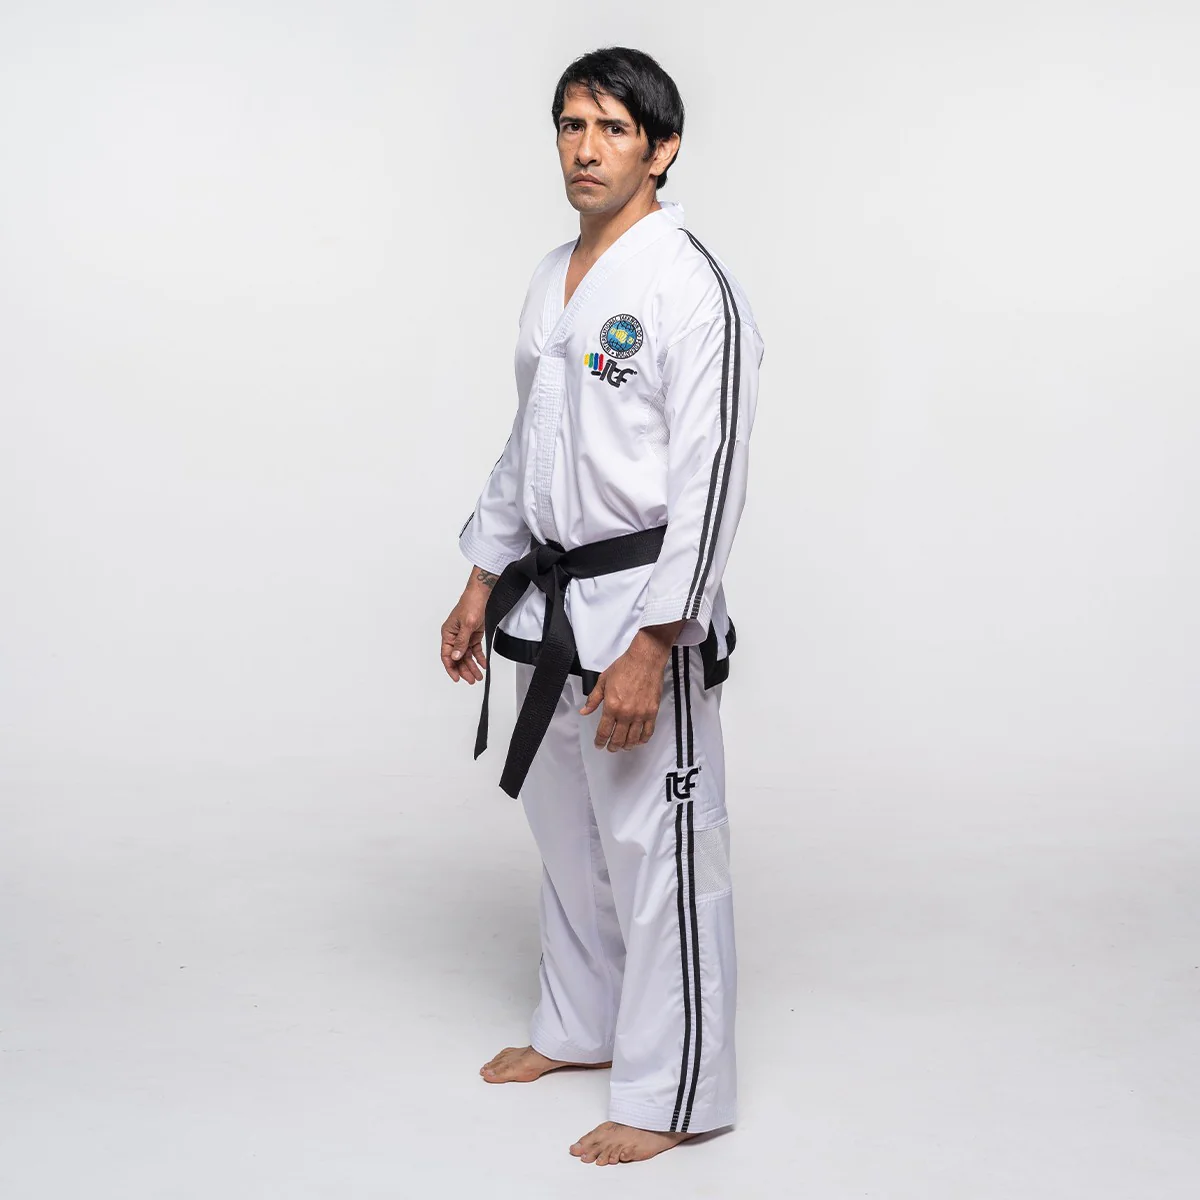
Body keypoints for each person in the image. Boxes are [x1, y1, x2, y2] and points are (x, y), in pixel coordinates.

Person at [439, 45, 764, 1166]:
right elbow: (531, 441)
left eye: (613, 129)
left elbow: (712, 480)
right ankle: (579, 1028)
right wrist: (482, 576)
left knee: (662, 847)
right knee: (568, 833)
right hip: (550, 596)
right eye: (572, 125)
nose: (585, 148)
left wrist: (657, 639)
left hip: (640, 608)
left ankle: (677, 1091)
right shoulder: (553, 275)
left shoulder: (690, 286)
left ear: (662, 149)